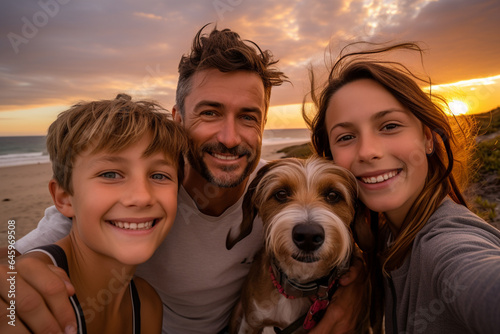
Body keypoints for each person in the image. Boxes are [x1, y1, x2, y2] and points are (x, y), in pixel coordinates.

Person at [1, 25, 364, 334]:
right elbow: (26, 254)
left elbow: (355, 236)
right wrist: (11, 276)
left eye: (248, 117)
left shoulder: (278, 190)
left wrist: (358, 283)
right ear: (178, 118)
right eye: (210, 112)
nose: (229, 137)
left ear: (263, 125)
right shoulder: (146, 191)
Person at [303, 42, 500, 333]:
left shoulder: (447, 247)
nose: (368, 151)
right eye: (346, 137)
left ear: (428, 138)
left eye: (390, 126)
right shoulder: (383, 238)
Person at [15, 93, 188, 333]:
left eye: (159, 175)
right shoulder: (24, 299)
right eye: (110, 174)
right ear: (64, 198)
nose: (142, 197)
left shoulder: (147, 303)